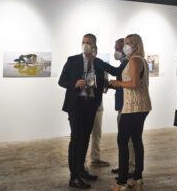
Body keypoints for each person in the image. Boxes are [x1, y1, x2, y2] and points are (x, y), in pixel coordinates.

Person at [58, 33, 107, 189]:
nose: (85, 44)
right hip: (76, 105)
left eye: (89, 42)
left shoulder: (99, 62)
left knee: (85, 138)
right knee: (76, 139)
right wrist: (75, 83)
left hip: (91, 105)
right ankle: (74, 177)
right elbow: (61, 81)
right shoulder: (72, 60)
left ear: (94, 45)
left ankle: (81, 170)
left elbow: (102, 82)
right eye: (83, 42)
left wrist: (106, 84)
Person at [109, 34, 152, 190]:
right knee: (136, 140)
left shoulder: (134, 60)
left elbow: (133, 83)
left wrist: (117, 83)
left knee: (122, 142)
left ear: (136, 45)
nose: (125, 46)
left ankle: (121, 181)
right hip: (141, 105)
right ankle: (137, 176)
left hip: (133, 107)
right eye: (125, 43)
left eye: (128, 43)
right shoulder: (141, 60)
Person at [105, 38, 135, 176]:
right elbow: (119, 81)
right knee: (124, 139)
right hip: (122, 105)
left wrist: (101, 64)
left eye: (118, 49)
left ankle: (130, 167)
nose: (116, 52)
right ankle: (125, 165)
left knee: (128, 139)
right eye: (115, 49)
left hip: (127, 105)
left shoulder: (128, 63)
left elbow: (122, 81)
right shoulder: (124, 63)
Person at [88, 45, 110, 168]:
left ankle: (95, 159)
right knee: (82, 133)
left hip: (97, 104)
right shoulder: (79, 65)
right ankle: (80, 162)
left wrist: (102, 85)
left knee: (96, 132)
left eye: (93, 50)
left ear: (96, 52)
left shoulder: (101, 66)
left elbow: (105, 87)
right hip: (82, 105)